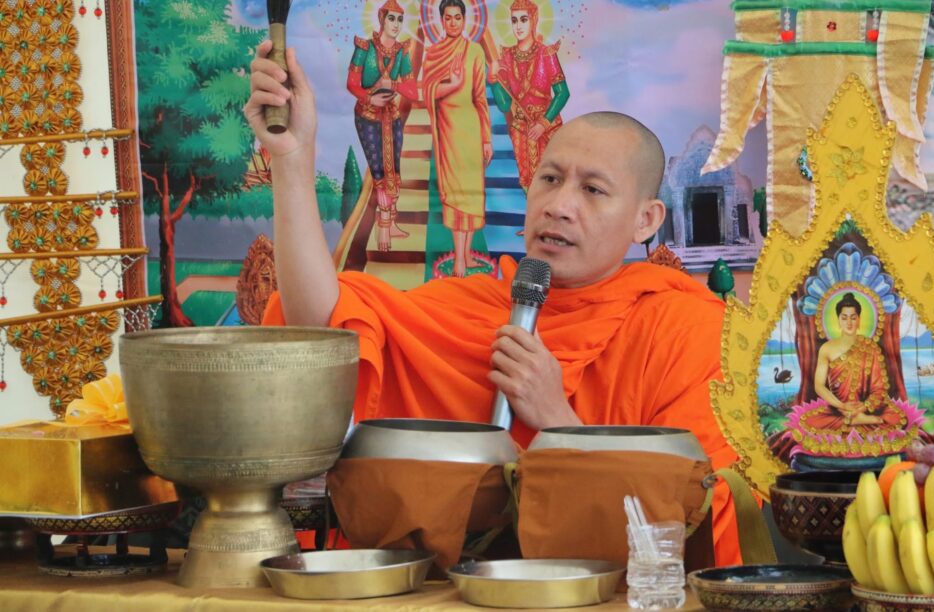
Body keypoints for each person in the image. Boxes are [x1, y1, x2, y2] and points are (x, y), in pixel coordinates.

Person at [244, 44, 741, 564]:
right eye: (549, 179)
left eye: (593, 190)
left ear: (646, 220)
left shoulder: (686, 329)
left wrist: (558, 421)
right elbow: (323, 332)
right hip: (457, 585)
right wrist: (293, 160)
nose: (559, 206)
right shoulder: (470, 306)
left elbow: (696, 505)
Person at [785, 292, 918, 458]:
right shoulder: (827, 348)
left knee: (897, 418)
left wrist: (863, 407)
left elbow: (879, 389)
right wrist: (842, 406)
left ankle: (858, 418)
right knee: (809, 421)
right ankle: (855, 420)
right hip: (838, 410)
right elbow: (819, 385)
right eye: (844, 317)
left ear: (859, 320)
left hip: (866, 409)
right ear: (838, 320)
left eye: (853, 318)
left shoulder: (870, 348)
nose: (849, 322)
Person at [422, 0, 492, 277]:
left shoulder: (475, 51)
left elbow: (480, 98)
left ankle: (467, 255)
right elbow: (427, 92)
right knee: (454, 193)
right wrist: (451, 85)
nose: (453, 23)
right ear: (441, 20)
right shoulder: (433, 53)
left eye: (458, 17)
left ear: (465, 19)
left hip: (470, 128)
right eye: (448, 18)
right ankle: (459, 259)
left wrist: (486, 138)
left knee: (471, 193)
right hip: (448, 129)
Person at [346, 0, 418, 251]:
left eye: (400, 20)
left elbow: (412, 90)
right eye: (391, 18)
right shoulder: (365, 48)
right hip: (368, 117)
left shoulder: (401, 52)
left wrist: (394, 85)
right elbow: (352, 83)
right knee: (378, 171)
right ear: (381, 19)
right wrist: (369, 99)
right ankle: (384, 226)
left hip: (392, 116)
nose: (396, 24)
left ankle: (392, 222)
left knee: (394, 170)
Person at [489, 0, 569, 194]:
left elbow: (563, 93)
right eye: (514, 20)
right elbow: (505, 104)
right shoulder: (507, 56)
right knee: (527, 181)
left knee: (553, 178)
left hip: (546, 128)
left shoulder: (546, 54)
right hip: (521, 129)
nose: (518, 25)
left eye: (523, 19)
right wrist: (494, 80)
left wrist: (543, 123)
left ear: (534, 20)